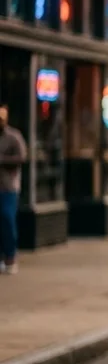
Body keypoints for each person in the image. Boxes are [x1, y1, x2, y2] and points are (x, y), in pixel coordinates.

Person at [0, 103, 28, 275]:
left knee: (7, 218)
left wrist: (3, 160)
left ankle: (10, 256)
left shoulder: (13, 136)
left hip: (9, 186)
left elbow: (22, 157)